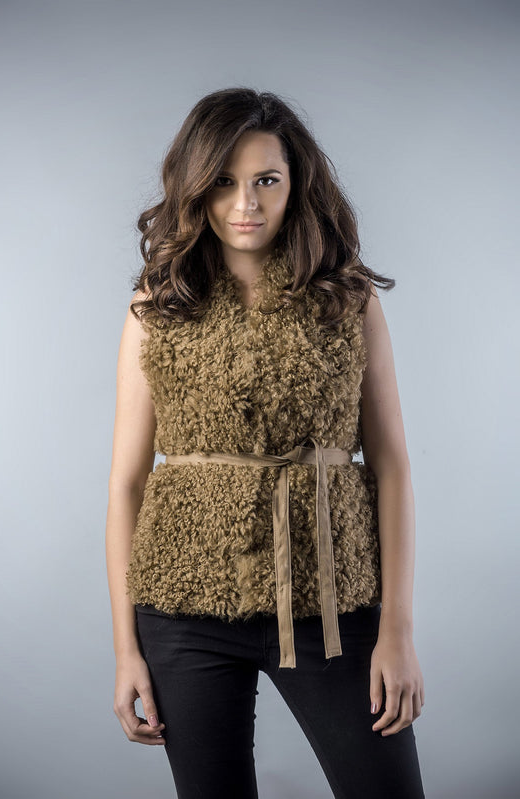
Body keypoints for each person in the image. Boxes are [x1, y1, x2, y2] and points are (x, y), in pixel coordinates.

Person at [105, 87, 426, 799]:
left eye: (265, 181)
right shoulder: (155, 307)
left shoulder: (347, 299)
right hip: (181, 610)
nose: (244, 203)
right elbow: (127, 482)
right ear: (194, 186)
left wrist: (396, 631)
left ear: (295, 184)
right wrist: (126, 648)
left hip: (332, 604)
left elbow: (392, 466)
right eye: (222, 181)